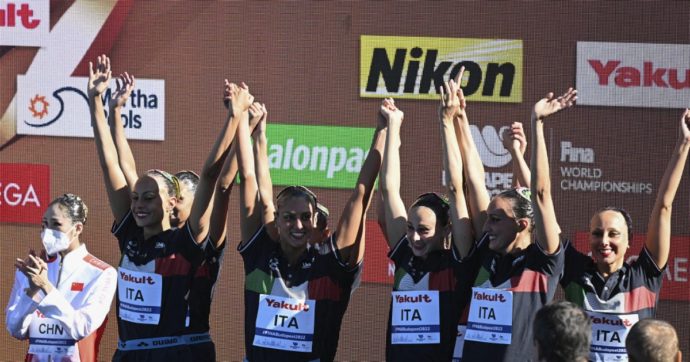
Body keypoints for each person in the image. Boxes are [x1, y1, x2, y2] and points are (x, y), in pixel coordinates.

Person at [88, 55, 237, 361]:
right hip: (128, 354)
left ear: (171, 201)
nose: (139, 204)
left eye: (150, 197)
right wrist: (97, 103)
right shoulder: (130, 231)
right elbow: (112, 164)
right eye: (137, 198)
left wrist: (235, 119)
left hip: (176, 353)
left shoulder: (185, 242)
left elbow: (212, 177)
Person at [234, 95, 386, 362]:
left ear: (316, 220)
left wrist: (383, 129)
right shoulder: (260, 254)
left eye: (306, 217)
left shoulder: (329, 263)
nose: (298, 225)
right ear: (277, 220)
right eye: (290, 217)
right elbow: (252, 181)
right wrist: (258, 135)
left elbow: (360, 195)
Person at [558, 107, 690, 361]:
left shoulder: (644, 276)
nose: (604, 241)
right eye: (597, 233)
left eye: (613, 234)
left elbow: (664, 206)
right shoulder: (575, 271)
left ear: (629, 242)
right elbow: (542, 212)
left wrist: (684, 142)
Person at [459, 88, 575, 362]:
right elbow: (473, 181)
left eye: (495, 220)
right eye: (488, 218)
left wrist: (537, 123)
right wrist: (459, 118)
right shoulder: (486, 253)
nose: (486, 227)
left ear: (523, 225)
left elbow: (539, 196)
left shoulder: (542, 262)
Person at [6, 194, 117, 362]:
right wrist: (32, 294)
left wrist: (46, 287)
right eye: (44, 225)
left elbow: (80, 327)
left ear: (77, 228)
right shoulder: (32, 270)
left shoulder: (102, 273)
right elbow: (15, 329)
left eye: (56, 225)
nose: (47, 232)